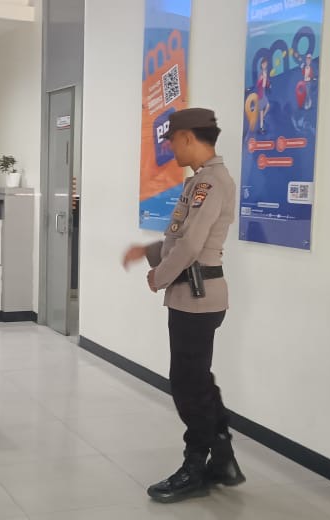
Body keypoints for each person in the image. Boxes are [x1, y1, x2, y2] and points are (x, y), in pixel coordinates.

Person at [122, 108, 244, 503]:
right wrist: (148, 251)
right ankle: (223, 459)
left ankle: (195, 467)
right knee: (198, 379)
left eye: (172, 140)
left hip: (197, 297)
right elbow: (182, 237)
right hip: (193, 295)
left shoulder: (211, 182)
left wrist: (158, 276)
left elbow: (192, 246)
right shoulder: (201, 180)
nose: (170, 148)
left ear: (189, 137)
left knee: (187, 384)